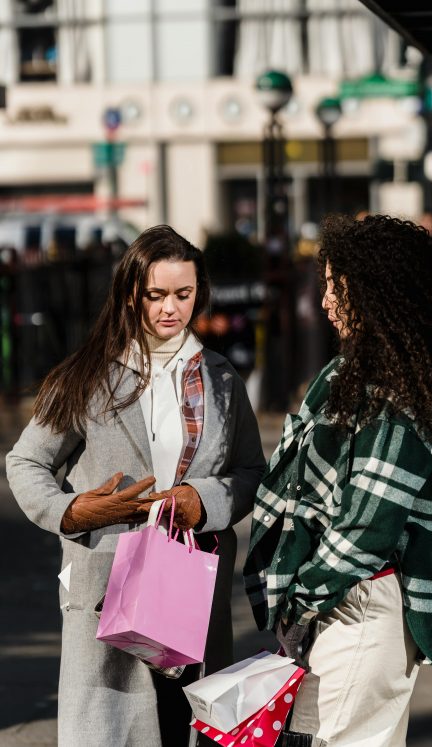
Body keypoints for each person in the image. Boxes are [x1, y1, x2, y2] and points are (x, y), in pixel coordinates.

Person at [7, 224, 265, 747]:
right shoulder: (85, 377)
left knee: (187, 727)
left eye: (183, 294)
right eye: (156, 295)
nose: (170, 308)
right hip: (106, 589)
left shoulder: (221, 380)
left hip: (192, 588)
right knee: (111, 732)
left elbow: (250, 473)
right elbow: (26, 461)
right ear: (130, 295)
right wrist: (73, 511)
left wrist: (204, 500)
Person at [244, 214, 432, 746]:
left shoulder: (401, 394)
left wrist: (302, 594)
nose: (326, 300)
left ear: (378, 291)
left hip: (358, 605)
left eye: (338, 286)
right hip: (337, 606)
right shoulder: (352, 375)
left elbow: (368, 527)